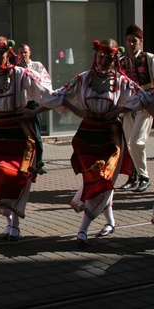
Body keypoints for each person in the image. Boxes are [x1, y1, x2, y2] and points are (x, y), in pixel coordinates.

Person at [55, 39, 151, 245]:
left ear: (115, 58)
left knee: (103, 179)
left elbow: (142, 97)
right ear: (96, 55)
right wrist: (78, 111)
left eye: (109, 56)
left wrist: (120, 109)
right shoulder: (83, 78)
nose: (104, 59)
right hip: (87, 137)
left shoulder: (121, 80)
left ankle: (83, 229)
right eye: (101, 55)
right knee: (94, 179)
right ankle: (111, 222)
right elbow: (59, 96)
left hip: (110, 136)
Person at [0, 37, 58, 241]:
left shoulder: (22, 74)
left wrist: (33, 112)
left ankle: (15, 224)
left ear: (9, 53)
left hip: (19, 132)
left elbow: (50, 95)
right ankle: (9, 220)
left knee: (15, 176)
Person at [119, 24, 154, 192]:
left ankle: (144, 176)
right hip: (127, 109)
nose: (131, 44)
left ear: (141, 42)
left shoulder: (149, 58)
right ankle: (133, 176)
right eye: (128, 41)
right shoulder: (121, 62)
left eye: (134, 41)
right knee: (129, 144)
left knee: (137, 142)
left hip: (145, 107)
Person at [17, 44, 53, 165]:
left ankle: (39, 162)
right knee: (21, 134)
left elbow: (46, 82)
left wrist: (29, 71)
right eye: (21, 52)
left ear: (30, 52)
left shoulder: (37, 65)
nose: (23, 55)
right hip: (20, 105)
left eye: (25, 52)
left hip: (33, 104)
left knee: (36, 134)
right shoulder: (15, 68)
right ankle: (23, 161)